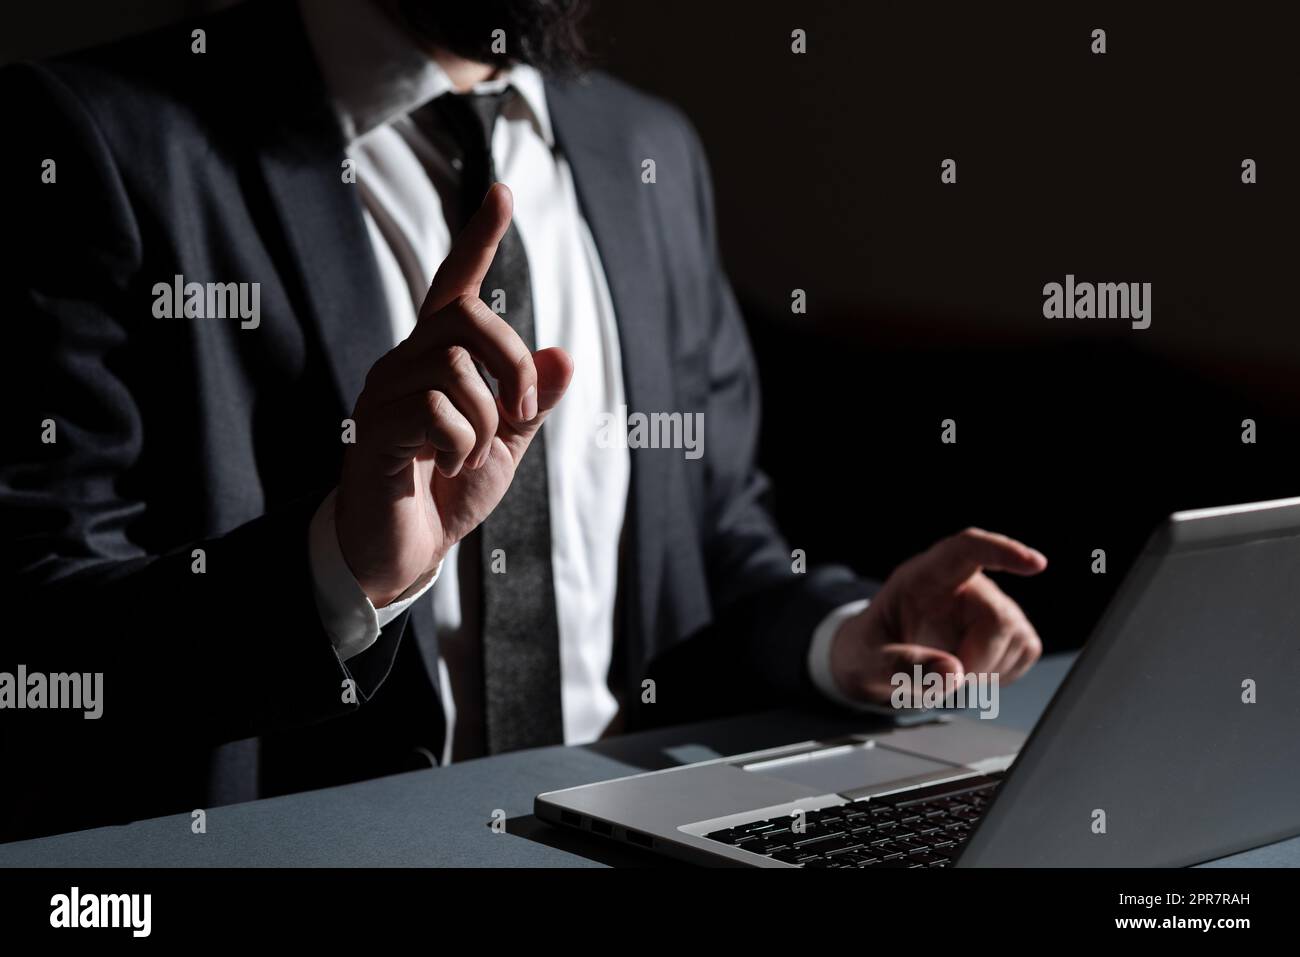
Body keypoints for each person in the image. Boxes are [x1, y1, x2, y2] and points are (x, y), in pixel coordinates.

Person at [0, 0, 1045, 841]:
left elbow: (720, 547)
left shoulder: (652, 152)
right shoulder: (86, 138)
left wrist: (846, 637)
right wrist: (340, 570)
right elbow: (37, 644)